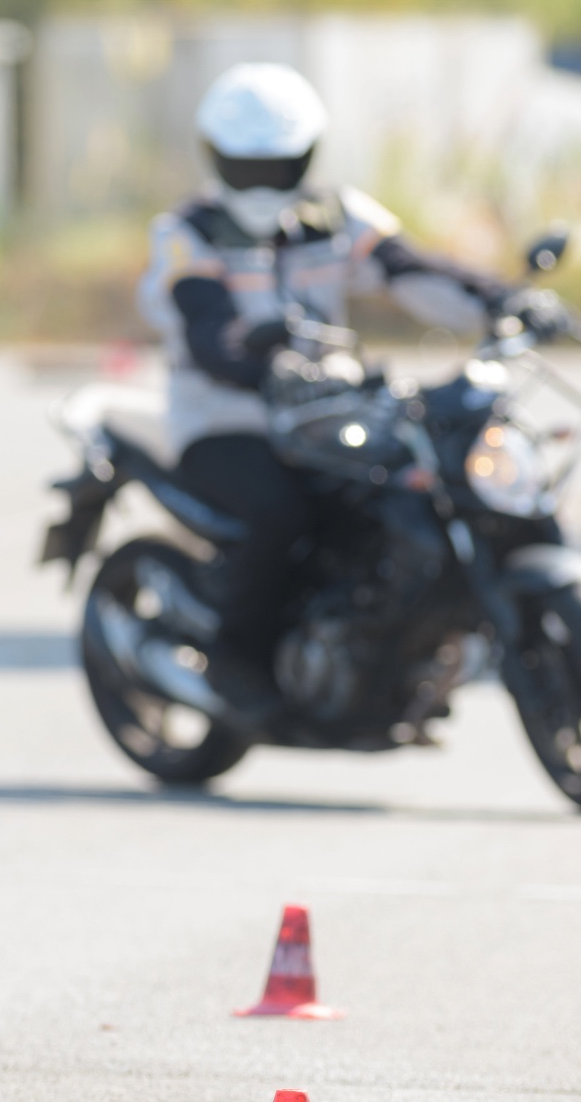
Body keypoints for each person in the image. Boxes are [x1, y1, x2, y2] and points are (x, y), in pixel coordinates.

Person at [137, 62, 519, 707]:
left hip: (329, 417)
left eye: (278, 167)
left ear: (306, 157)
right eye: (248, 168)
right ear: (215, 158)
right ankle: (236, 659)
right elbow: (207, 326)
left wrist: (508, 302)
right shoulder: (187, 233)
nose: (264, 185)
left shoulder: (336, 216)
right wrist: (250, 355)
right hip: (225, 421)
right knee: (281, 511)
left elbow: (412, 269)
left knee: (413, 497)